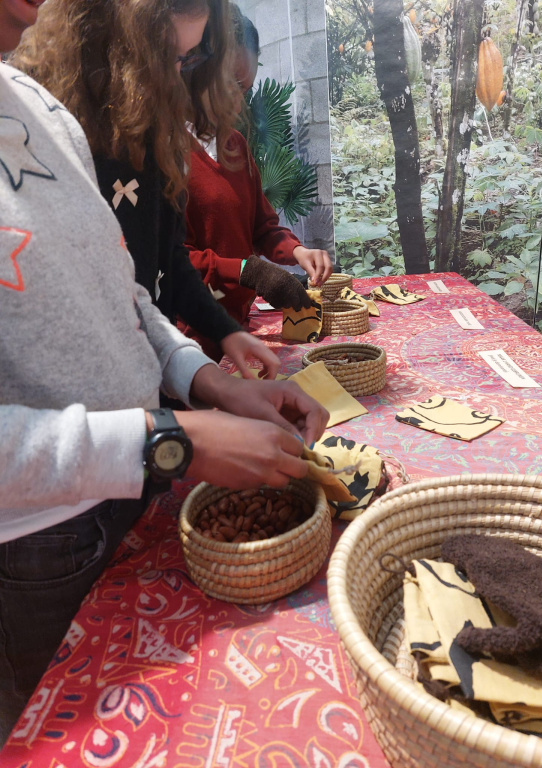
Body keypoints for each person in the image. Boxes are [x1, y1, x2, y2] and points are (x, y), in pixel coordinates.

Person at [0, 0, 328, 744]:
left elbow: (124, 290)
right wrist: (170, 442)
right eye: (164, 52)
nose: (178, 78)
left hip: (132, 489)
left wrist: (205, 379)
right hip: (41, 543)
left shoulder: (37, 110)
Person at [12, 0, 302, 378]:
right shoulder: (50, 134)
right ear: (115, 47)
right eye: (165, 56)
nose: (173, 78)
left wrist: (218, 344)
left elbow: (157, 275)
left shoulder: (154, 139)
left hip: (157, 381)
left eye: (187, 60)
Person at [180, 4, 333, 355]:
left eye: (245, 88)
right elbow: (174, 259)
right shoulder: (165, 152)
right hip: (189, 341)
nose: (240, 100)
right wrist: (250, 272)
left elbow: (263, 227)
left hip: (236, 327)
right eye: (231, 84)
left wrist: (299, 251)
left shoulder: (235, 145)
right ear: (194, 66)